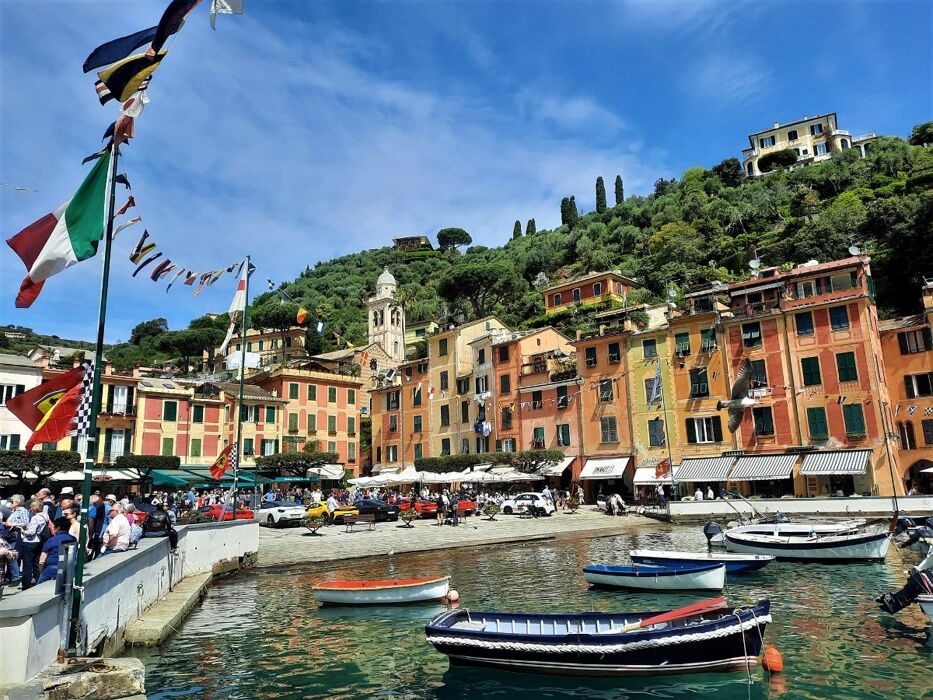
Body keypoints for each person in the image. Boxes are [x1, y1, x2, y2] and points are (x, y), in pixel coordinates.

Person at [17, 500, 49, 589]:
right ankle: (39, 581)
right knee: (36, 563)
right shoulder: (45, 516)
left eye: (32, 507)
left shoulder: (35, 518)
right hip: (38, 541)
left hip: (30, 542)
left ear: (35, 508)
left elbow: (31, 532)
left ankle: (26, 585)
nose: (31, 509)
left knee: (27, 564)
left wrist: (22, 530)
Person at [37, 517, 76, 584]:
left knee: (38, 588)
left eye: (54, 526)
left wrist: (41, 572)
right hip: (70, 570)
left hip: (51, 571)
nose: (51, 527)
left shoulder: (51, 540)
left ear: (58, 528)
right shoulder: (73, 539)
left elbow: (42, 561)